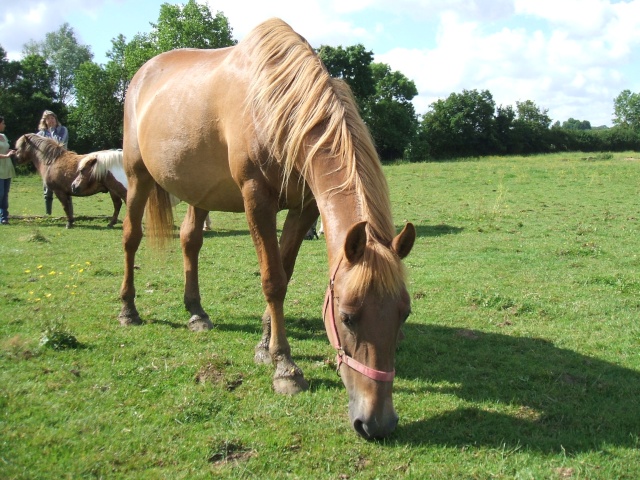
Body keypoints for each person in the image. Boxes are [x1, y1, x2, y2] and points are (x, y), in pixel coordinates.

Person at [37, 110, 69, 215]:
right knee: (47, 190)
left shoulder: (63, 130)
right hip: (47, 165)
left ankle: (69, 214)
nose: (51, 120)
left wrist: (52, 131)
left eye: (52, 118)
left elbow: (60, 144)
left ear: (56, 119)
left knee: (64, 189)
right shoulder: (41, 134)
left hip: (62, 162)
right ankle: (48, 214)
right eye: (48, 119)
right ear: (44, 121)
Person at [0, 115, 17, 225]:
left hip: (7, 168)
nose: (4, 125)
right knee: (0, 194)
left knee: (5, 194)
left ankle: (4, 217)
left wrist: (11, 151)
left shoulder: (4, 136)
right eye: (3, 123)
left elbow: (5, 148)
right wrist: (7, 156)